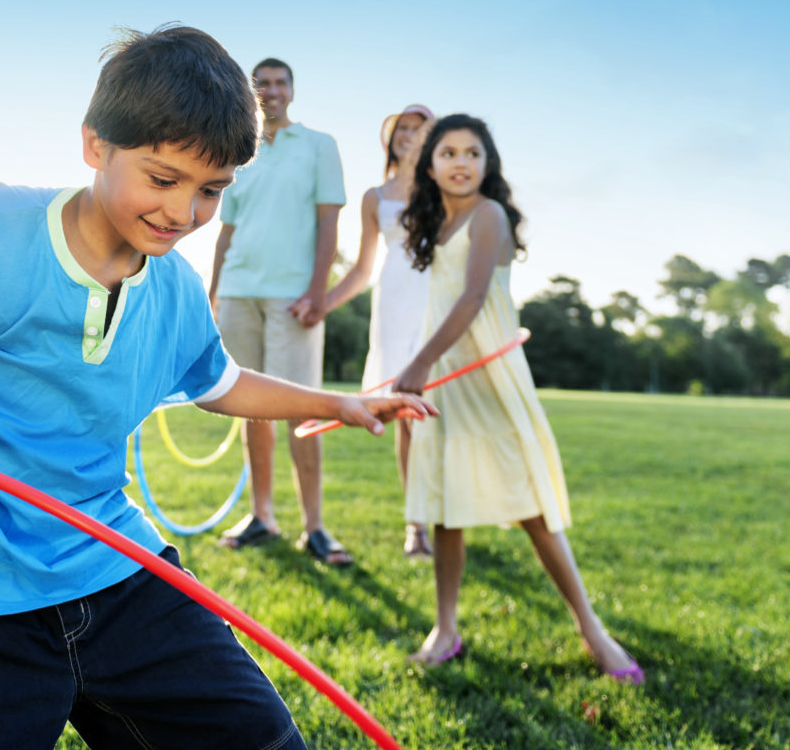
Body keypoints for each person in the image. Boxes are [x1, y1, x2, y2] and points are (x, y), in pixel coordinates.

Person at [0, 27, 434, 750]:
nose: (183, 213)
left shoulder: (171, 285)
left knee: (263, 740)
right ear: (95, 146)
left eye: (212, 191)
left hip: (112, 566)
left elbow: (221, 382)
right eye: (163, 179)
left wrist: (339, 403)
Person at [393, 114, 642, 683]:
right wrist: (426, 364)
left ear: (488, 164)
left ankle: (592, 629)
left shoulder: (489, 216)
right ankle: (446, 628)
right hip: (447, 384)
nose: (460, 162)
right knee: (446, 509)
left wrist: (419, 361)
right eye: (449, 152)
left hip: (491, 382)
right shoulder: (438, 227)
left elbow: (475, 297)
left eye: (472, 153)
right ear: (430, 164)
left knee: (532, 509)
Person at [209, 58, 353, 566]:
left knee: (302, 410)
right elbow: (225, 231)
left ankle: (314, 527)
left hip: (293, 295)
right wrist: (214, 292)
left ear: (292, 90)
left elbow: (328, 223)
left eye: (279, 82)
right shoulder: (237, 152)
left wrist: (319, 289)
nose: (271, 91)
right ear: (252, 93)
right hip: (240, 289)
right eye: (262, 84)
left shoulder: (319, 146)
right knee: (251, 406)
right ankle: (262, 516)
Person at [324, 103, 435, 559]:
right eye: (402, 129)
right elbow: (362, 268)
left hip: (436, 301)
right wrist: (322, 304)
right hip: (394, 304)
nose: (409, 135)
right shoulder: (375, 196)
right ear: (390, 140)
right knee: (409, 417)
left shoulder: (447, 189)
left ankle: (452, 515)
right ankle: (417, 525)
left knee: (448, 415)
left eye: (419, 128)